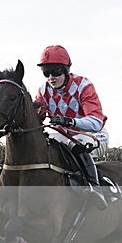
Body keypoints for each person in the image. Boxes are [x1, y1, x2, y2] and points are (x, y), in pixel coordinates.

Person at [34, 45, 108, 210]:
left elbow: (96, 122)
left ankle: (95, 188)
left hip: (93, 134)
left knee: (76, 145)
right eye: (46, 73)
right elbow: (36, 119)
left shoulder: (84, 86)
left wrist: (70, 121)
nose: (51, 78)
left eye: (56, 72)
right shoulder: (43, 90)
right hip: (63, 134)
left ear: (67, 70)